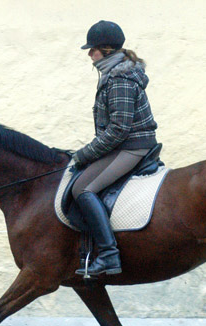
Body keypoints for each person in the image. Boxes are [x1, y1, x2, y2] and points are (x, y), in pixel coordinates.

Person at [72, 20, 158, 277]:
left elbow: (119, 129)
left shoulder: (119, 77)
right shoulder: (114, 73)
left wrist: (85, 154)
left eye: (93, 49)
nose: (90, 54)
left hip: (132, 146)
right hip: (123, 145)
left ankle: (109, 256)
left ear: (107, 50)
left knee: (82, 189)